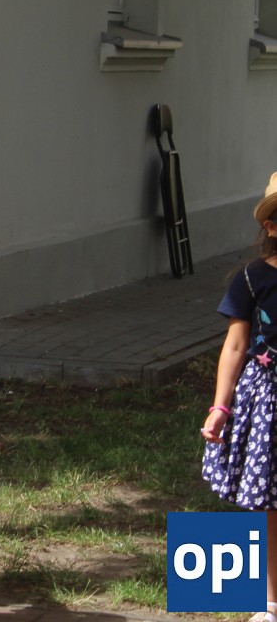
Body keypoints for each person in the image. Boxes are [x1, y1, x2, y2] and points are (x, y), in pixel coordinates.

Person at [201, 171, 277, 622]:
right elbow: (234, 346)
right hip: (267, 401)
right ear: (271, 226)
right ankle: (270, 600)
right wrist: (220, 407)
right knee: (268, 503)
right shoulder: (252, 278)